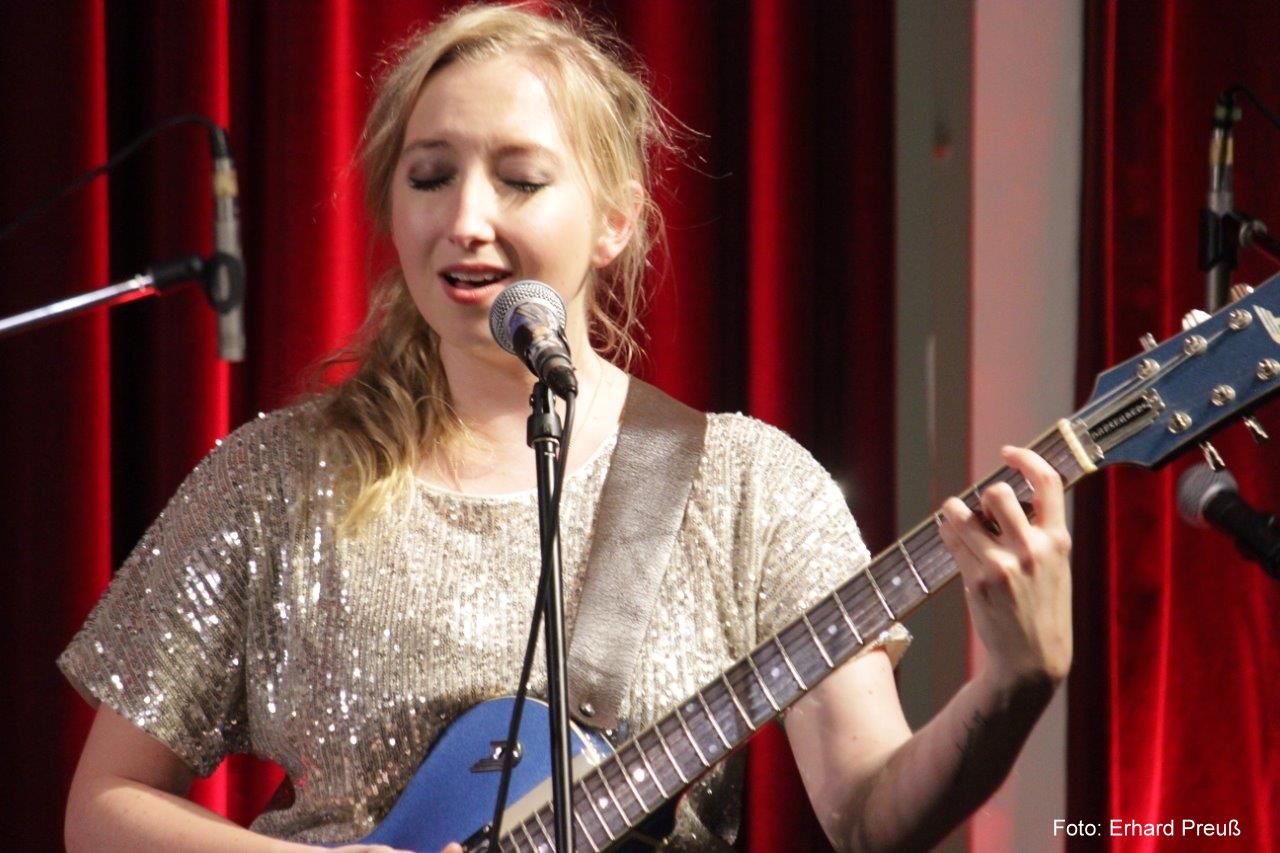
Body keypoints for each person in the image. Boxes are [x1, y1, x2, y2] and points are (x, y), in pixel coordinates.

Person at [59, 3, 1073, 851]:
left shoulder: (746, 485)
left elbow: (869, 815)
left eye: (519, 178)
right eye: (429, 175)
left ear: (615, 219)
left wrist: (1016, 683)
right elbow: (102, 807)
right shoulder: (276, 476)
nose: (465, 218)